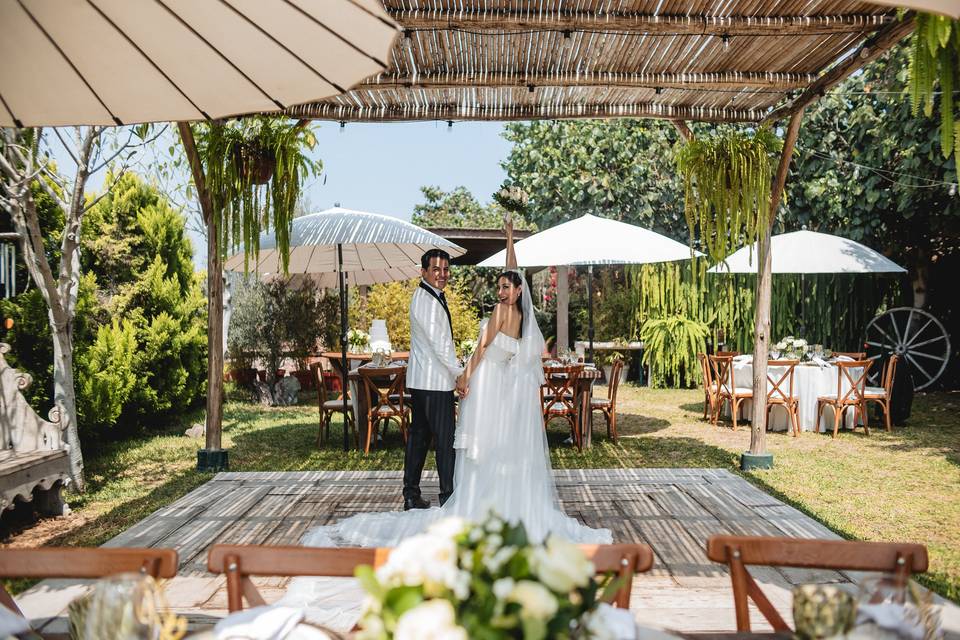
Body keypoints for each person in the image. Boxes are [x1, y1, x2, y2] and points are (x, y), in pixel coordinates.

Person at [294, 217, 611, 548]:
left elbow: (482, 345)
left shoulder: (503, 311)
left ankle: (452, 498)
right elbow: (453, 337)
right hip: (466, 382)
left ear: (517, 291)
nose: (500, 289)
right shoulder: (514, 313)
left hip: (481, 383)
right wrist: (508, 237)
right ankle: (436, 494)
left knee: (453, 442)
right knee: (454, 442)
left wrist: (464, 375)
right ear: (425, 271)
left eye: (505, 287)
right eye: (437, 269)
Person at [404, 248, 462, 510]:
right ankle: (449, 498)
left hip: (423, 381)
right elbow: (440, 345)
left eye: (446, 269)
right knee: (445, 440)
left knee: (419, 439)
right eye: (436, 269)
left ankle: (411, 495)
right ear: (424, 271)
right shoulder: (425, 301)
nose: (442, 274)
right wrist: (459, 374)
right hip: (434, 381)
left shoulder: (430, 296)